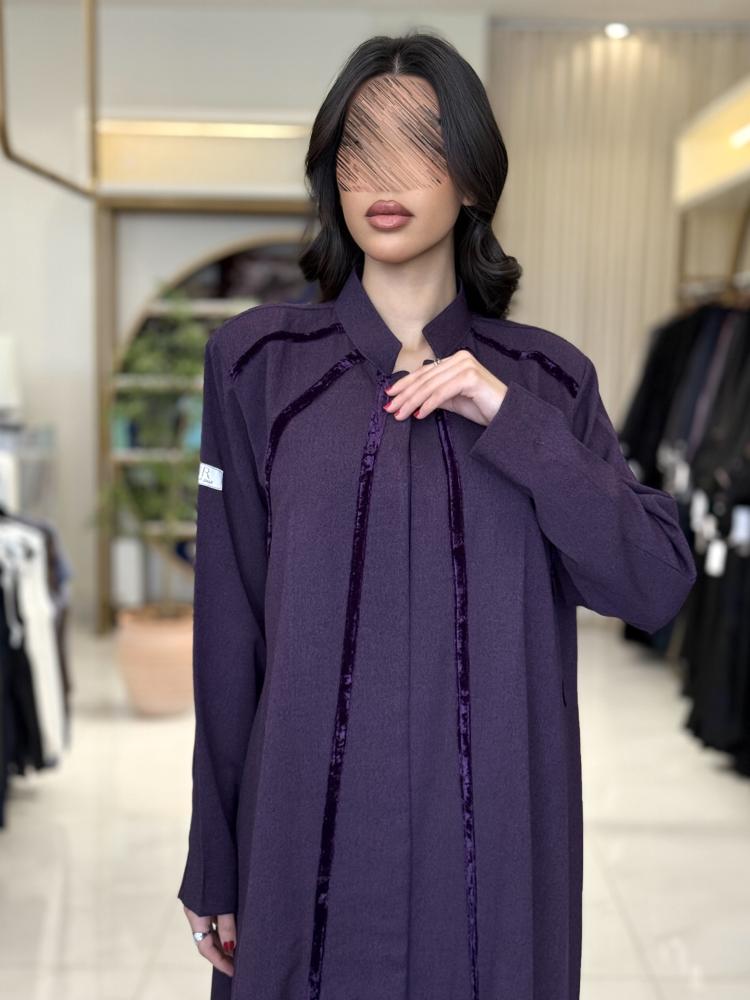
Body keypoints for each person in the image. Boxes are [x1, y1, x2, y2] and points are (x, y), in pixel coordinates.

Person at [178, 30, 697, 1000]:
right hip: (304, 851)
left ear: (472, 176)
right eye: (358, 146)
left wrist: (509, 417)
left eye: (419, 144)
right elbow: (229, 630)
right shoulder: (256, 369)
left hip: (492, 866)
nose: (383, 176)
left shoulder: (547, 380)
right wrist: (215, 855)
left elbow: (653, 581)